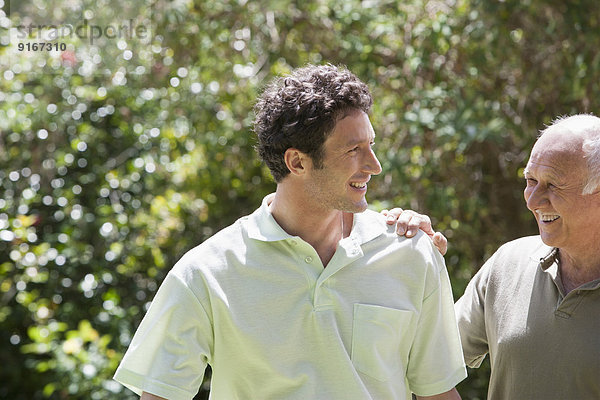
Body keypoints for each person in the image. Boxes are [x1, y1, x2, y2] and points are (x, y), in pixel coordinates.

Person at [113, 64, 466, 400]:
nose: (374, 165)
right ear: (297, 162)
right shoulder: (206, 273)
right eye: (354, 150)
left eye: (371, 145)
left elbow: (438, 391)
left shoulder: (411, 253)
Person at [388, 114, 600, 399]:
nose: (533, 200)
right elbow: (421, 355)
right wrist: (404, 257)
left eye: (552, 185)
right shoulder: (509, 263)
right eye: (531, 180)